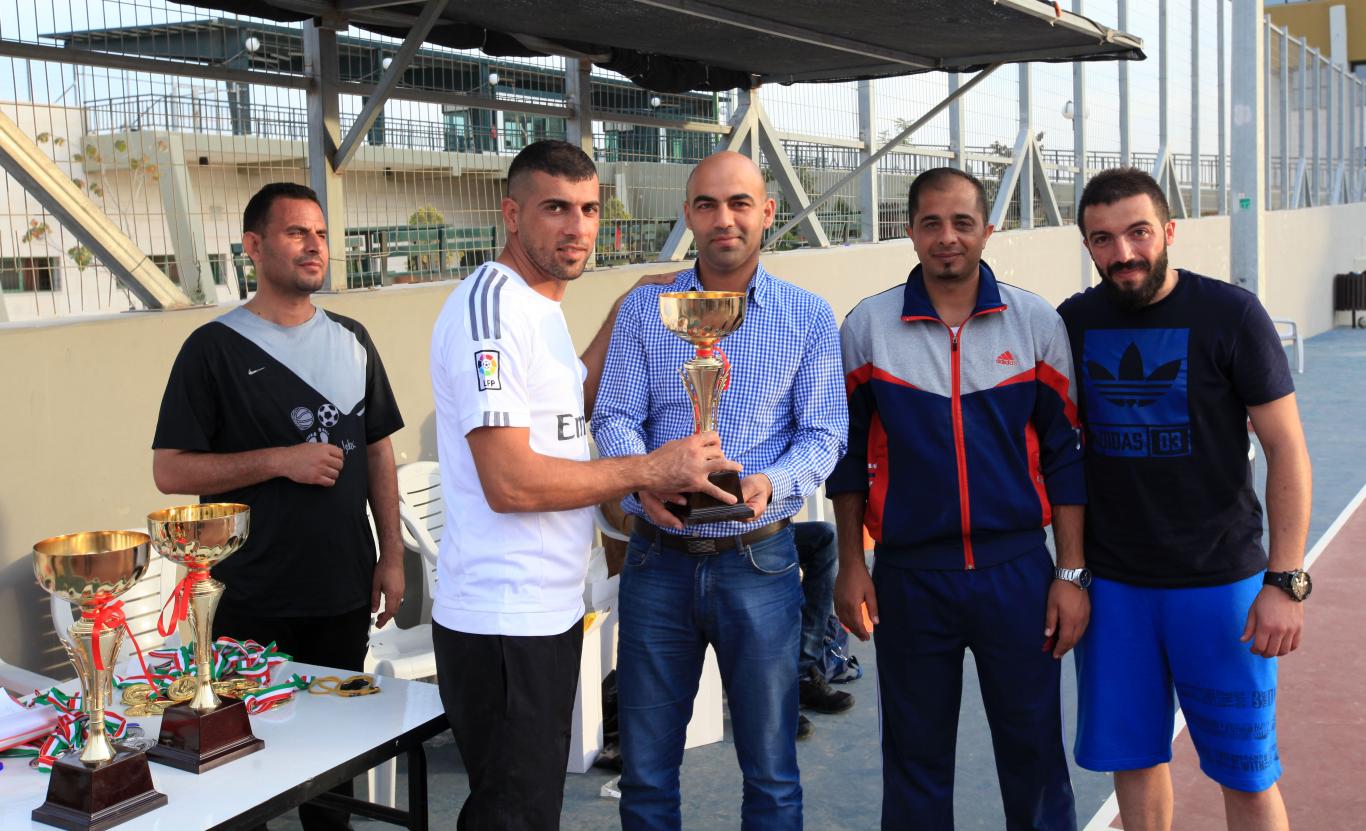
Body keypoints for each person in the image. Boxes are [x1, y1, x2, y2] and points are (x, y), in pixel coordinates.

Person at [428, 140, 741, 830]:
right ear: (512, 214)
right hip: (502, 619)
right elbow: (509, 481)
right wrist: (651, 468)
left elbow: (570, 396)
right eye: (556, 209)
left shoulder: (535, 305)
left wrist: (628, 304)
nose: (577, 227)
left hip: (547, 609)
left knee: (526, 808)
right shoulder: (491, 311)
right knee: (512, 816)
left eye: (590, 208)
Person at [592, 150, 848, 831]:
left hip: (758, 562)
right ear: (688, 216)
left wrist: (772, 481)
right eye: (707, 204)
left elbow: (825, 433)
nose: (723, 218)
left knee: (770, 772)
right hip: (658, 559)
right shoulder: (649, 309)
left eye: (739, 203)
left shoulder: (807, 315)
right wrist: (642, 479)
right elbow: (614, 412)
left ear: (767, 212)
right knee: (646, 772)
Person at [828, 167, 1089, 831]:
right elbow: (848, 458)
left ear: (987, 230)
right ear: (910, 231)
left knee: (1033, 752)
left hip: (1018, 573)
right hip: (911, 577)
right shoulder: (868, 327)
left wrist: (1068, 572)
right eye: (932, 223)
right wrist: (852, 563)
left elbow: (1065, 456)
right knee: (914, 757)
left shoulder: (1034, 322)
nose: (948, 237)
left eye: (963, 222)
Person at [1060, 168, 1312, 831]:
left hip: (1220, 584)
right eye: (1103, 238)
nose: (1124, 253)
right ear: (1087, 245)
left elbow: (1286, 448)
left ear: (1168, 231)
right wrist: (1071, 572)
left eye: (1139, 232)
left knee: (1246, 770)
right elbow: (1058, 459)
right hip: (1116, 588)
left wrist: (1285, 578)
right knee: (1136, 765)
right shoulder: (1074, 322)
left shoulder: (1230, 314)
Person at [152, 182, 405, 831]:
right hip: (247, 595)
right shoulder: (214, 347)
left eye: (320, 233)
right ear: (254, 247)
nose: (314, 245)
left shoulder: (353, 337)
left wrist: (393, 556)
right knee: (245, 775)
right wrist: (278, 459)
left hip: (343, 591)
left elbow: (378, 452)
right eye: (297, 233)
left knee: (332, 775)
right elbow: (170, 470)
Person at [793, 520, 855, 741]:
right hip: (718, 534)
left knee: (825, 536)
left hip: (768, 526)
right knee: (770, 556)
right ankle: (773, 691)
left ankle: (801, 671)